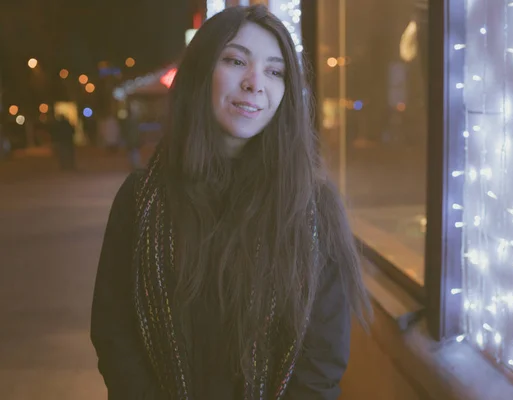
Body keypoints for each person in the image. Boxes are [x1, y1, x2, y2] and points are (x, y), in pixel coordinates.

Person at [90, 5, 371, 400]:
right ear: (200, 73)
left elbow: (321, 364)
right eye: (237, 61)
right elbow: (114, 332)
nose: (255, 83)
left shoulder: (312, 207)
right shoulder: (141, 199)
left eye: (275, 71)